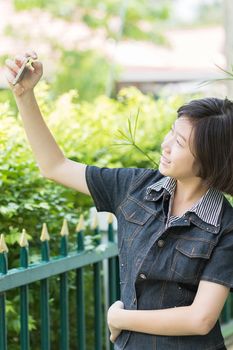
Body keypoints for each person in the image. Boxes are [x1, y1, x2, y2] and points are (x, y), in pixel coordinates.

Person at [4, 51, 233, 350]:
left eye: (178, 143)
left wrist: (121, 318)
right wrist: (24, 97)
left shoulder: (225, 227)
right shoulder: (134, 186)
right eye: (171, 133)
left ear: (209, 160)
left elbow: (200, 319)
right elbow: (55, 166)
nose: (165, 144)